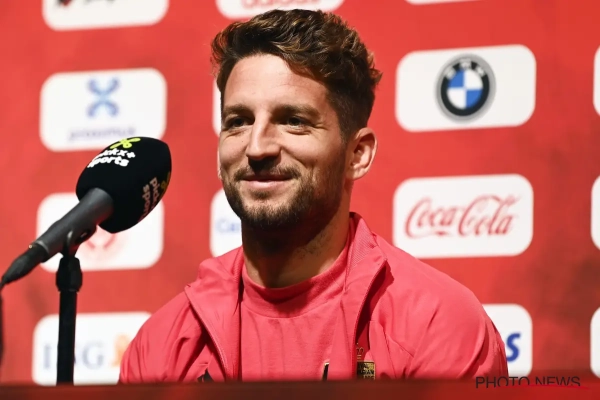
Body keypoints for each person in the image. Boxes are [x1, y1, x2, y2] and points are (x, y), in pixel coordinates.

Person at [119, 8, 508, 383]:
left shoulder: (438, 324)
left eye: (293, 121)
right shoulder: (161, 345)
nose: (257, 147)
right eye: (238, 122)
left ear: (357, 154)